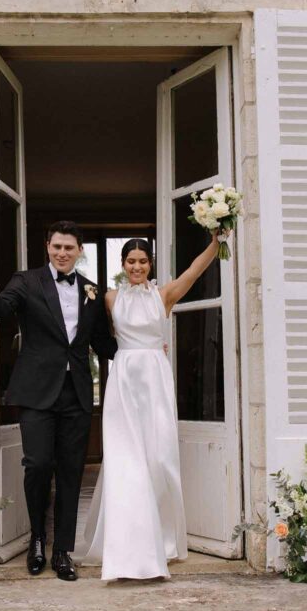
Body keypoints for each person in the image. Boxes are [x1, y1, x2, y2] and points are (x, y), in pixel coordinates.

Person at [0, 221, 117, 581]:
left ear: (80, 250)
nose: (62, 253)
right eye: (56, 247)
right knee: (37, 464)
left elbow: (103, 344)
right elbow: (2, 311)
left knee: (70, 472)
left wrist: (143, 345)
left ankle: (62, 551)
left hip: (77, 392)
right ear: (47, 247)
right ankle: (37, 538)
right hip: (36, 391)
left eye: (69, 247)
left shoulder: (92, 291)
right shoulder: (26, 281)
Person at [76, 231, 225, 581]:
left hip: (155, 382)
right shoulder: (109, 299)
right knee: (126, 461)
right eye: (131, 261)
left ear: (150, 263)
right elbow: (91, 332)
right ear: (123, 265)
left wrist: (216, 243)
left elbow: (194, 270)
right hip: (124, 382)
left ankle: (163, 540)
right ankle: (128, 552)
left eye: (143, 261)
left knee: (158, 460)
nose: (137, 266)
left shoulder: (165, 295)